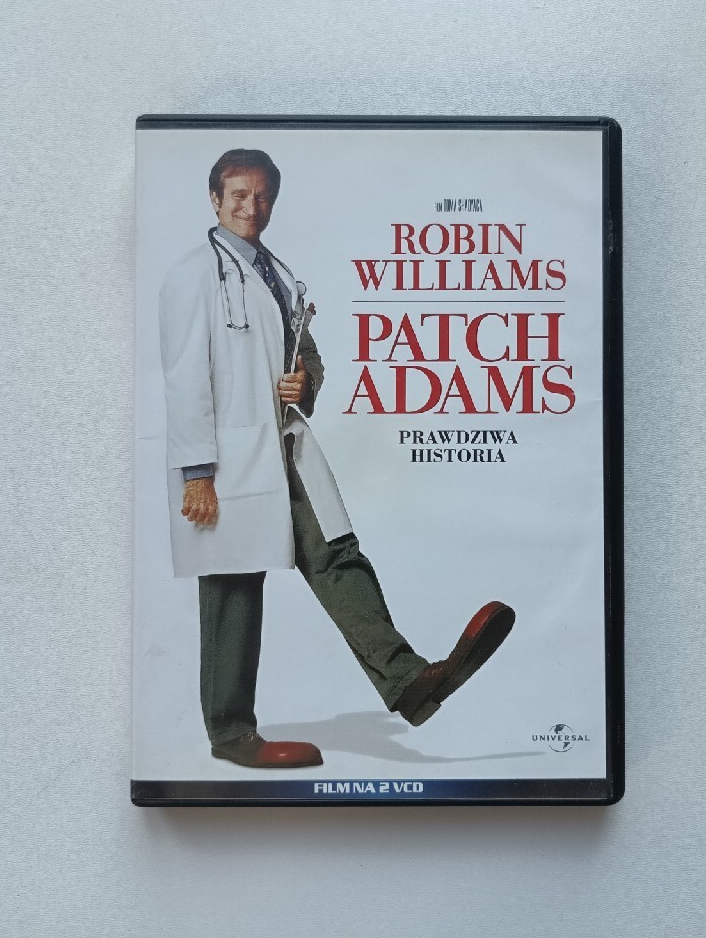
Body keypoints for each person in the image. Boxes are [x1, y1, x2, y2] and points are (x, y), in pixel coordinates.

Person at [157, 148, 513, 768]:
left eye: (262, 196)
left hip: (283, 445)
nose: (251, 207)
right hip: (227, 457)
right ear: (215, 200)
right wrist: (197, 474)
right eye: (238, 195)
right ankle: (231, 732)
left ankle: (410, 683)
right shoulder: (194, 275)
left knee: (337, 555)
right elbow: (185, 378)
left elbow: (305, 355)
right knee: (234, 586)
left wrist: (304, 382)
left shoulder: (277, 273)